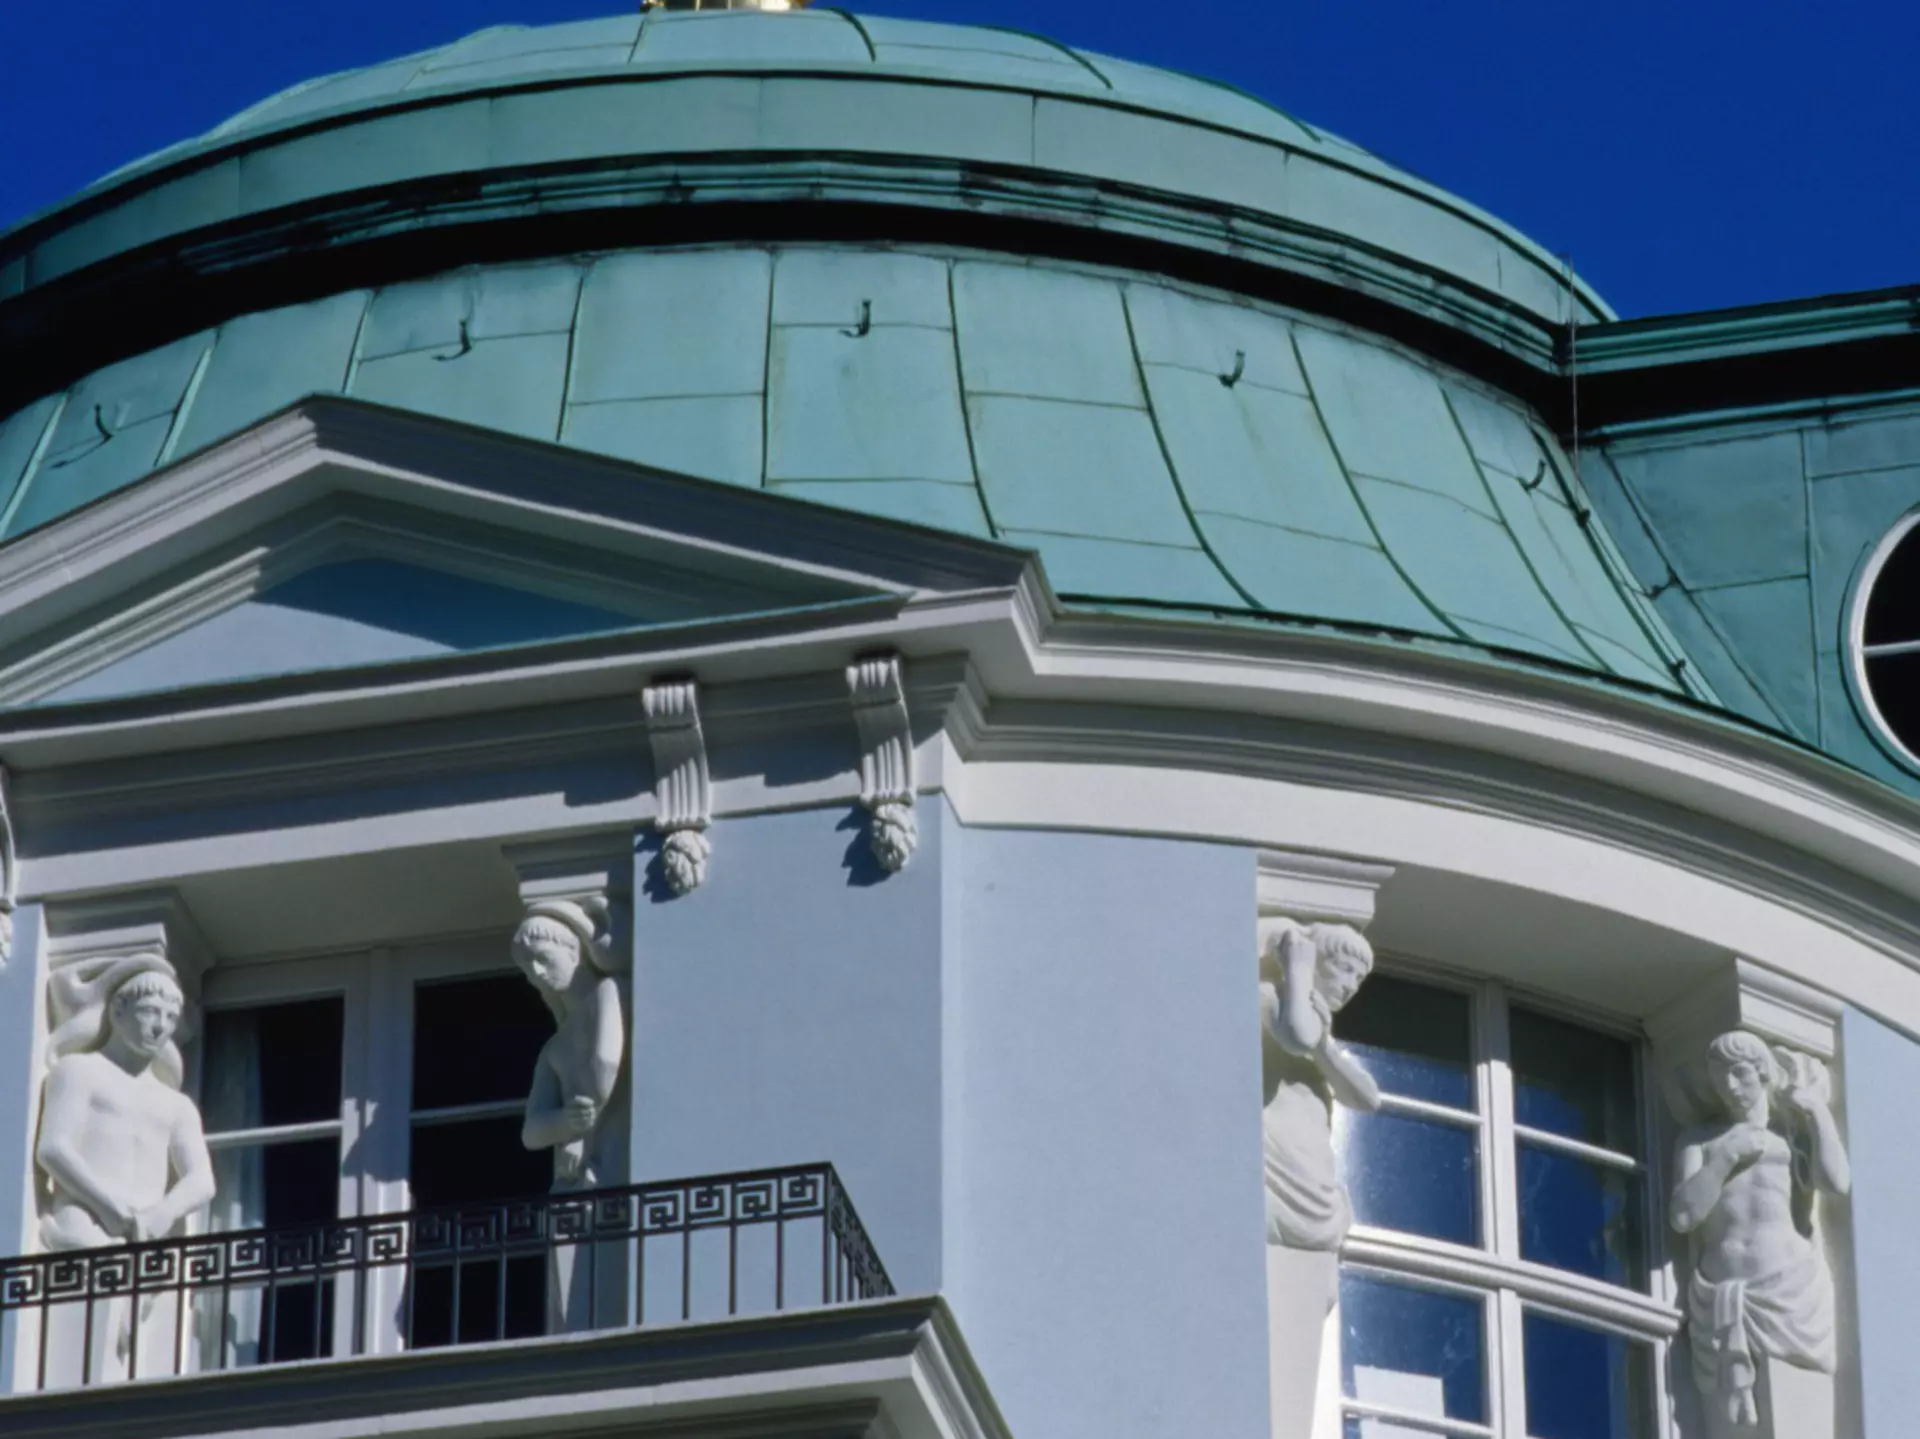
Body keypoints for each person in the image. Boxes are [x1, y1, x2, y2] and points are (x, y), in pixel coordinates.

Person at [35, 956, 214, 1384]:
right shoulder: (80, 1071)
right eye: (150, 1012)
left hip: (145, 1237)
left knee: (128, 1359)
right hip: (87, 1224)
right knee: (80, 1360)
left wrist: (161, 1213)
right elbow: (54, 1149)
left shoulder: (176, 1105)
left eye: (170, 1018)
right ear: (118, 1010)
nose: (160, 1027)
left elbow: (201, 1179)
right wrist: (110, 1206)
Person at [1671, 1031, 1850, 1434]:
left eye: (1739, 1073)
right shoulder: (1700, 1141)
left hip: (1788, 1290)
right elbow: (1683, 1215)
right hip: (1719, 1294)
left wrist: (1815, 1111)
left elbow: (1836, 1181)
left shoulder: (1788, 1137)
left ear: (1763, 1071)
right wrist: (1726, 1159)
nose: (1730, 1087)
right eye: (1720, 1078)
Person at [1259, 921, 1382, 1252]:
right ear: (1312, 959)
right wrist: (1297, 971)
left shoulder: (1321, 1031)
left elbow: (1368, 1098)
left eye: (1358, 979)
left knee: (1314, 1230)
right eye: (1344, 969)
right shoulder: (1271, 995)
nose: (1351, 986)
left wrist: (1326, 1048)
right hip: (1278, 1156)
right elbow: (1298, 1036)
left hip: (1309, 1157)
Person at [511, 900, 624, 1192]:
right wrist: (567, 1123)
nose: (536, 973)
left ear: (574, 950)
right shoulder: (555, 1047)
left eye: (543, 958)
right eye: (527, 968)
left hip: (612, 1148)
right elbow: (531, 1132)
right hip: (577, 1172)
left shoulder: (607, 991)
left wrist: (583, 1122)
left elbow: (606, 1063)